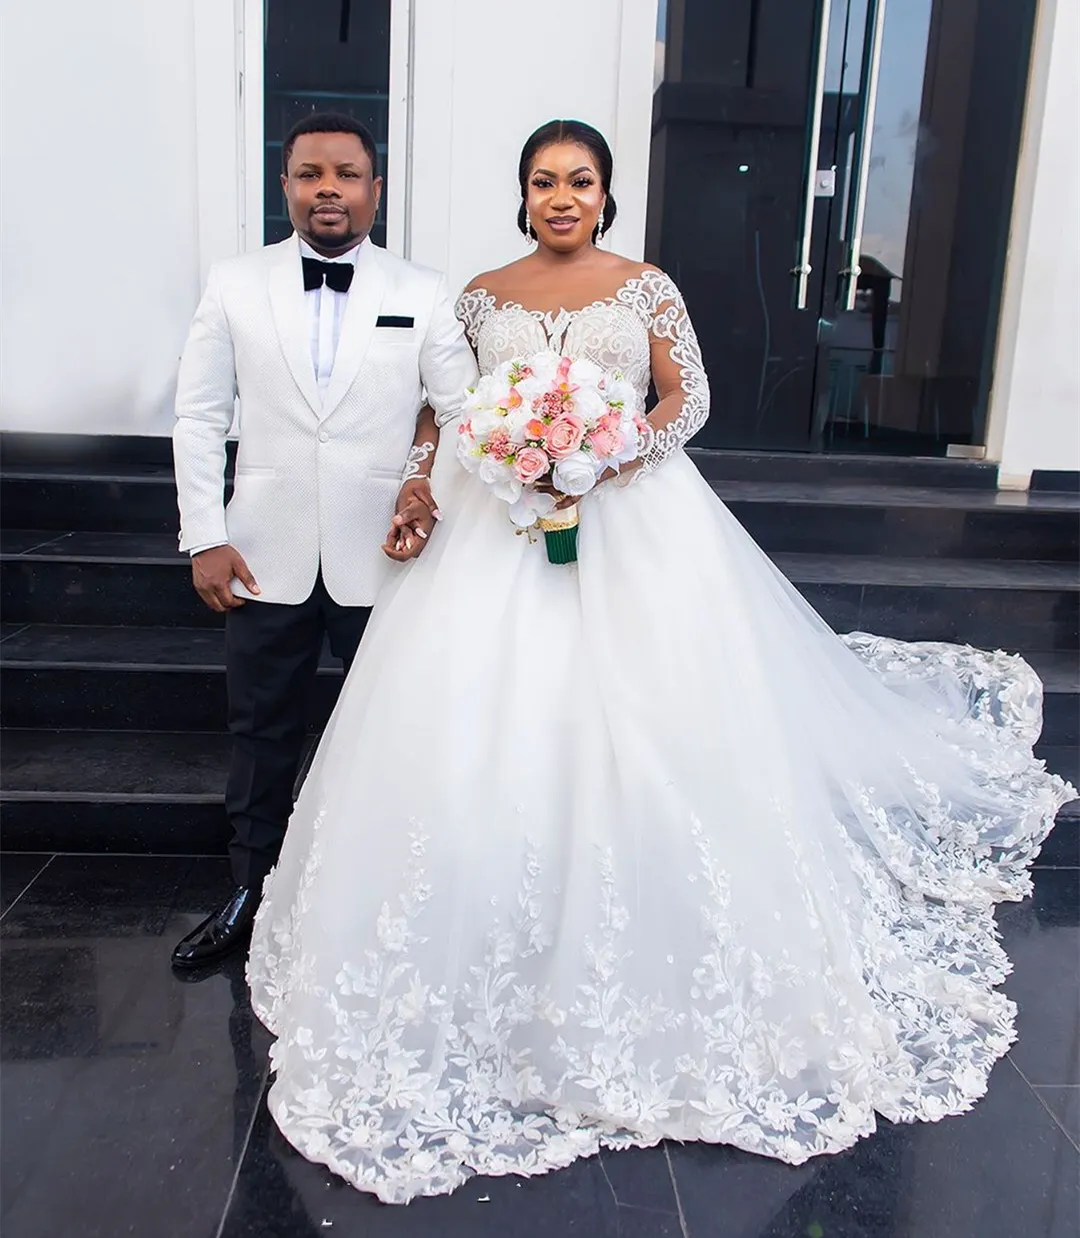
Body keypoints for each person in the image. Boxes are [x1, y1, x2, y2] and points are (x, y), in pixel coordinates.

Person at [246, 119, 1075, 1203]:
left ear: (605, 193)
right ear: (522, 191)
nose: (560, 197)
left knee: (653, 727)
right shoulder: (481, 296)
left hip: (630, 516)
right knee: (474, 726)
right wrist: (425, 476)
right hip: (494, 524)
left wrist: (609, 448)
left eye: (579, 182)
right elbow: (441, 410)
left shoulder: (644, 287)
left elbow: (691, 397)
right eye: (542, 180)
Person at [171, 113, 477, 969]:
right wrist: (206, 535)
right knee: (261, 729)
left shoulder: (423, 291)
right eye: (311, 174)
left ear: (376, 189)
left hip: (385, 557)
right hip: (261, 552)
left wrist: (428, 490)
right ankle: (248, 893)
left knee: (393, 732)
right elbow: (198, 416)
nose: (329, 188)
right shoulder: (234, 283)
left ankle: (384, 903)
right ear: (287, 187)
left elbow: (461, 415)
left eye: (347, 174)